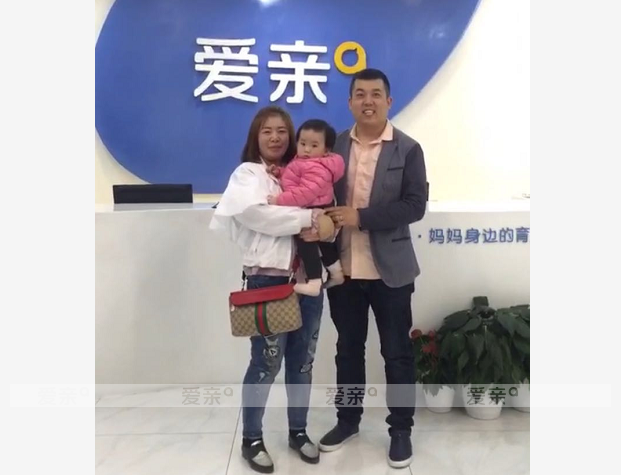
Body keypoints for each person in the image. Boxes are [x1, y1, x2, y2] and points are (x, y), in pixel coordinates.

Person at [210, 106, 334, 473]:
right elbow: (256, 215)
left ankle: (298, 431)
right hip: (269, 281)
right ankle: (251, 438)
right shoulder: (248, 174)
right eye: (267, 131)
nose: (276, 137)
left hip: (308, 280)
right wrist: (308, 217)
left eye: (282, 131)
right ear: (256, 136)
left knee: (303, 362)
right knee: (266, 362)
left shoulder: (305, 170)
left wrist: (325, 223)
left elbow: (327, 218)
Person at [317, 69, 428, 469]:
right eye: (360, 94)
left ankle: (400, 429)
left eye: (376, 94)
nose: (368, 101)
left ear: (388, 101)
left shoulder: (408, 149)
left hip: (390, 271)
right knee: (348, 350)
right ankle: (348, 421)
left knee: (397, 353)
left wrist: (360, 217)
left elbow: (414, 206)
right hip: (343, 270)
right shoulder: (334, 146)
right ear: (349, 102)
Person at [267, 119, 346, 296]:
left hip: (314, 207)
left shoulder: (317, 167)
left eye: (314, 145)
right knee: (324, 244)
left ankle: (314, 281)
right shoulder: (306, 162)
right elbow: (295, 176)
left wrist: (279, 200)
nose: (307, 149)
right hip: (316, 206)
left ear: (326, 150)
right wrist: (280, 172)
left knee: (306, 241)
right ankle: (336, 272)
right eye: (302, 144)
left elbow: (305, 193)